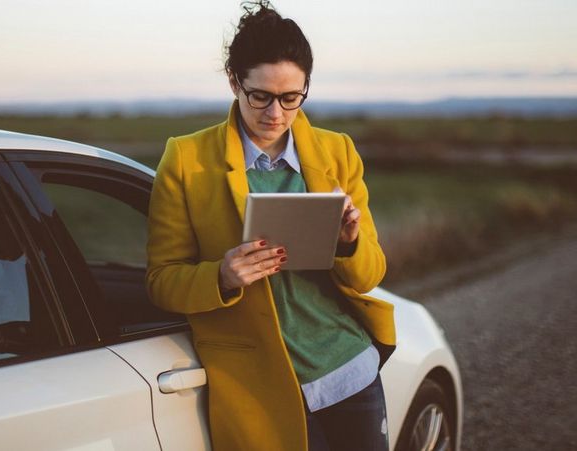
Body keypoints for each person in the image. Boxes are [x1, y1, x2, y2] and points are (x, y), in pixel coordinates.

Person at [146, 2, 396, 450]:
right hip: (256, 387)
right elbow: (162, 281)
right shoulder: (185, 159)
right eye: (259, 96)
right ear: (234, 82)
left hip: (349, 370)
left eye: (290, 98)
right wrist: (220, 277)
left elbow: (371, 274)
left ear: (305, 90)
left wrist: (349, 243)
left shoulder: (337, 152)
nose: (275, 114)